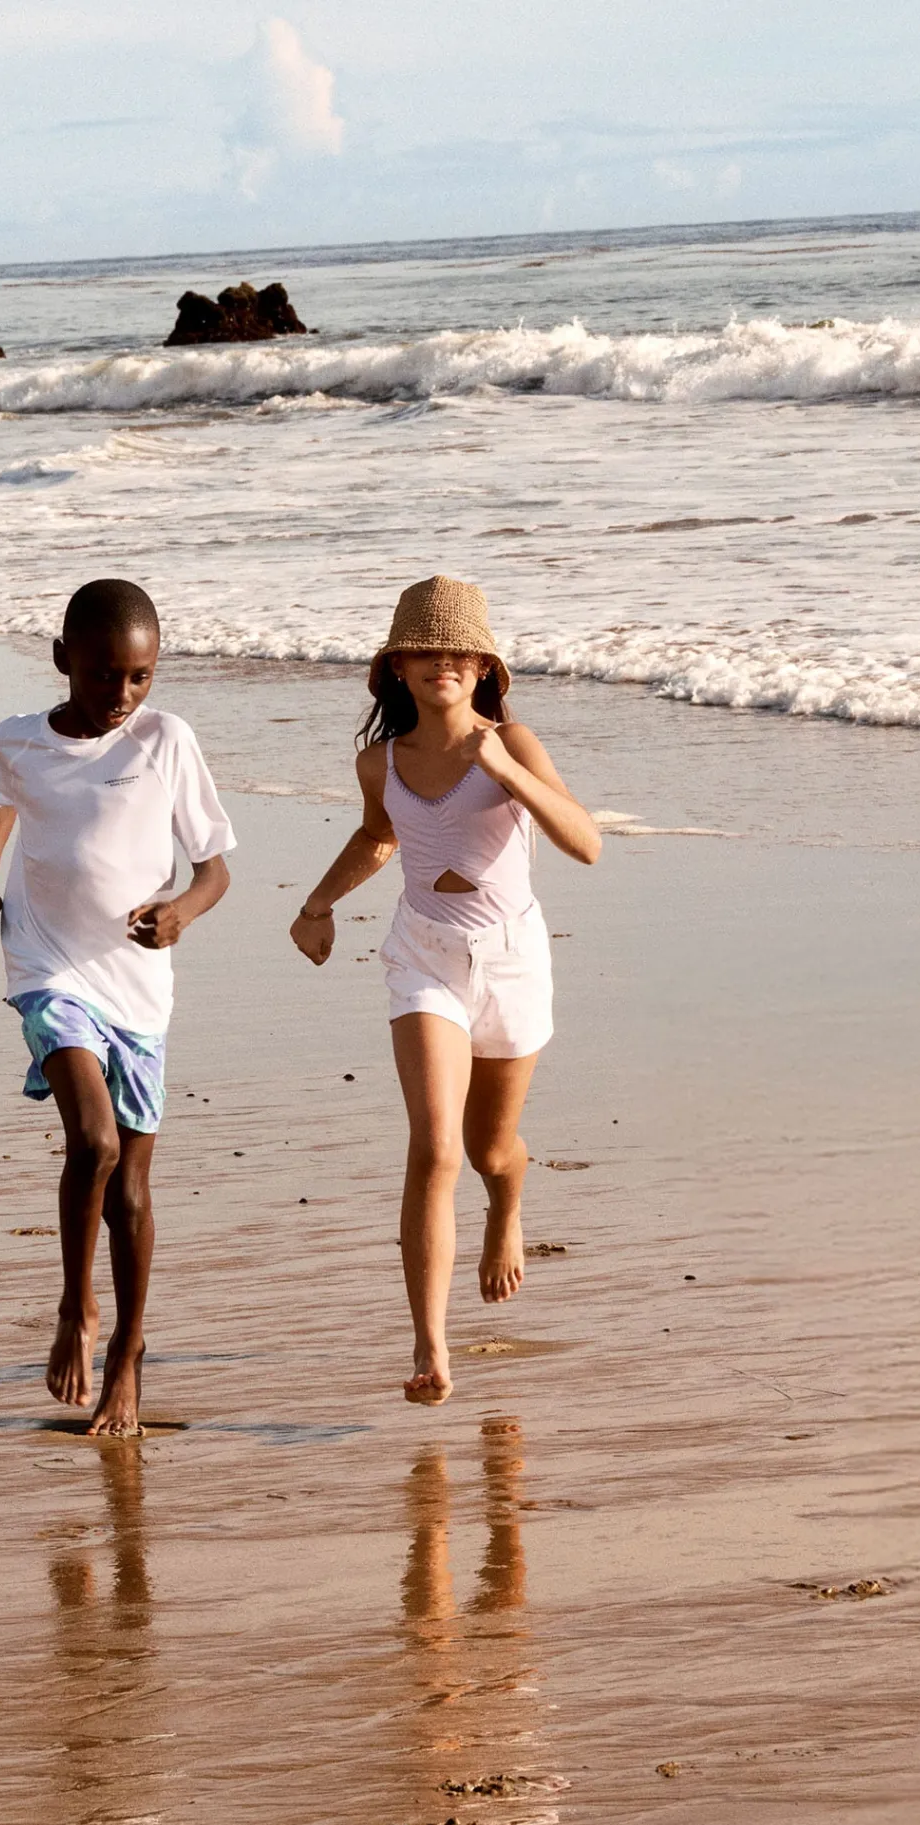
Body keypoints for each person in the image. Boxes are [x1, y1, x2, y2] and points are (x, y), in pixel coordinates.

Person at [290, 575, 600, 1405]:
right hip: (423, 956)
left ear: (484, 665)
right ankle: (431, 1346)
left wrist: (507, 770)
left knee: (490, 1151)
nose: (443, 663)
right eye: (424, 650)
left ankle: (507, 1206)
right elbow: (379, 834)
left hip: (511, 961)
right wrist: (316, 906)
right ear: (397, 667)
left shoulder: (514, 742)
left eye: (460, 650)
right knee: (434, 1149)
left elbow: (586, 843)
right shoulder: (380, 761)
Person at [0, 579, 234, 1436]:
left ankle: (129, 1354)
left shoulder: (166, 740)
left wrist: (183, 913)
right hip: (47, 965)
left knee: (133, 1194)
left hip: (138, 986)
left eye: (139, 677)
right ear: (62, 661)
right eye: (103, 674)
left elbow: (215, 867)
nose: (121, 694)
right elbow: (0, 802)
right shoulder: (18, 739)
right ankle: (76, 1307)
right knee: (95, 1140)